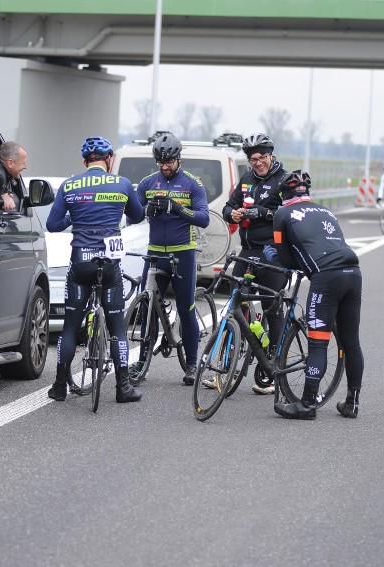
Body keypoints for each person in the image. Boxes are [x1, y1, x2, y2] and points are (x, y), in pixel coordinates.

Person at [46, 136, 145, 403]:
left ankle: (59, 386)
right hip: (109, 262)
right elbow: (138, 216)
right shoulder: (122, 184)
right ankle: (123, 387)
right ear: (109, 160)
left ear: (84, 162)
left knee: (69, 328)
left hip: (81, 261)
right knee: (117, 329)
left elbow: (53, 224)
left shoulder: (70, 184)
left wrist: (74, 216)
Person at [264, 170, 364, 420]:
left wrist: (272, 255)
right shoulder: (327, 212)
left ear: (283, 194)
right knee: (351, 340)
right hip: (353, 272)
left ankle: (307, 405)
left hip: (327, 278)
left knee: (318, 342)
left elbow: (287, 260)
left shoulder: (282, 213)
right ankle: (352, 402)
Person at [133, 132, 210, 385]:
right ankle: (142, 360)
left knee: (186, 308)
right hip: (155, 253)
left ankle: (191, 364)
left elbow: (203, 219)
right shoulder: (147, 183)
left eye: (169, 162)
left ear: (179, 159)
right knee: (146, 307)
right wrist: (145, 209)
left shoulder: (192, 184)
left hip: (183, 253)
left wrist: (177, 208)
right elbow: (132, 215)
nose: (165, 167)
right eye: (160, 163)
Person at [221, 132, 289, 395]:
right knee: (234, 304)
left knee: (273, 309)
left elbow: (290, 214)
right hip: (247, 251)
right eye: (252, 159)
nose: (257, 163)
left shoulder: (284, 180)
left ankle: (273, 368)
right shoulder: (247, 179)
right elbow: (229, 206)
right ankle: (225, 365)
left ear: (271, 155)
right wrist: (233, 213)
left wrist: (263, 213)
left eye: (261, 158)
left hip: (271, 253)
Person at [0, 141, 26, 211]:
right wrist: (2, 201)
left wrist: (7, 193)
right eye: (23, 163)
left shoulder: (1, 172)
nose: (25, 167)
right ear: (10, 163)